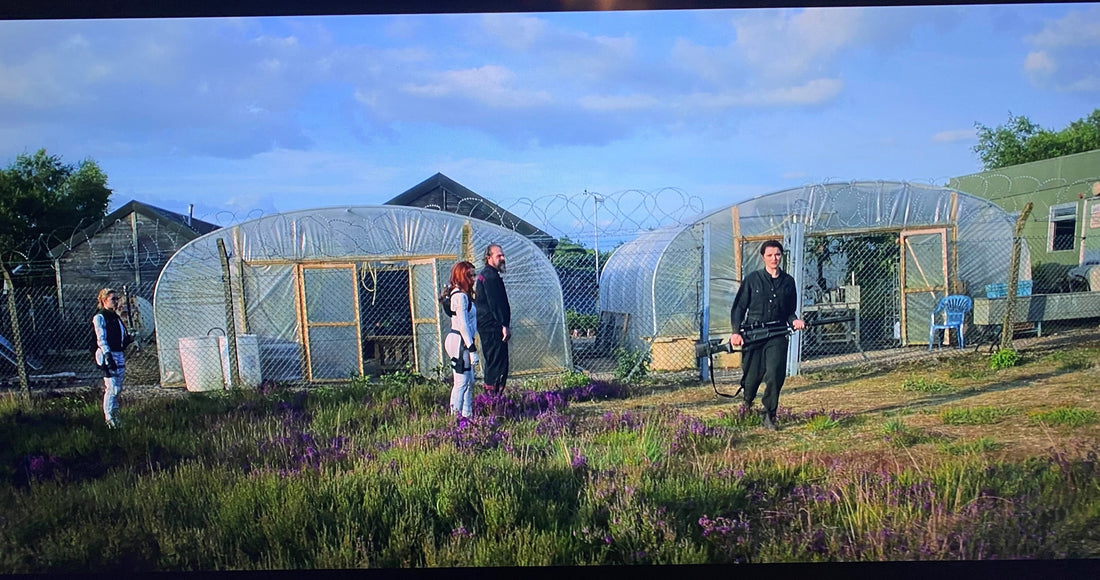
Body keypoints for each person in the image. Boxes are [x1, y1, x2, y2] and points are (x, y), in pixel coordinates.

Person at [729, 240, 805, 431]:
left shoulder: (788, 282)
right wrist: (736, 332)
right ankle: (747, 403)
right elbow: (739, 307)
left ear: (781, 256)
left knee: (774, 373)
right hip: (753, 334)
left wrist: (794, 320)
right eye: (770, 255)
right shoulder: (752, 280)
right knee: (752, 376)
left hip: (777, 334)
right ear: (763, 257)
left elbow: (789, 311)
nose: (774, 258)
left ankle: (769, 414)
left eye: (777, 254)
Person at [440, 261, 479, 418]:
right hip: (460, 342)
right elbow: (463, 324)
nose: (474, 278)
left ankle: (467, 416)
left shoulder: (460, 295)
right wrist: (471, 348)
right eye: (471, 275)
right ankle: (454, 419)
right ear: (463, 276)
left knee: (468, 382)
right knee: (461, 383)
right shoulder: (460, 296)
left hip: (460, 340)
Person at [92, 288, 134, 428]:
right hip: (108, 354)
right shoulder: (100, 317)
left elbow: (120, 335)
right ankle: (109, 418)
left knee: (118, 388)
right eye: (113, 299)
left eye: (116, 298)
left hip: (118, 353)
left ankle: (115, 416)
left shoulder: (115, 317)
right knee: (112, 388)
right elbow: (101, 338)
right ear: (104, 301)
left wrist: (128, 340)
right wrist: (107, 355)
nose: (116, 301)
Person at [475, 244, 511, 394]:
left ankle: (491, 400)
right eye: (498, 256)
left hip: (489, 326)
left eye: (502, 255)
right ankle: (492, 399)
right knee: (497, 364)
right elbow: (495, 303)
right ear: (488, 258)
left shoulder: (489, 275)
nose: (502, 258)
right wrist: (503, 325)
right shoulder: (489, 277)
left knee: (494, 363)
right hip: (493, 327)